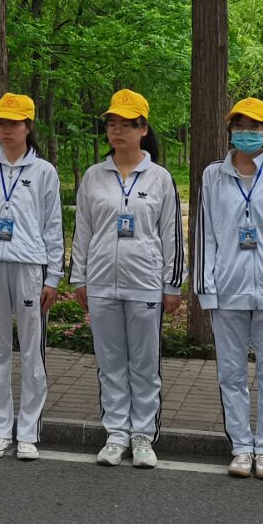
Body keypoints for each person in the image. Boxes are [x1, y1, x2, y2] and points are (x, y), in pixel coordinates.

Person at [70, 89, 184, 470]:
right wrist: (79, 277)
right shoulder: (94, 176)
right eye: (111, 124)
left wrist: (172, 284)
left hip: (145, 283)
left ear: (143, 129)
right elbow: (83, 231)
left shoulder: (160, 178)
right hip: (102, 282)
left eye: (126, 125)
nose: (117, 131)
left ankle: (143, 435)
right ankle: (116, 434)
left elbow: (171, 235)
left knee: (145, 364)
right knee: (110, 363)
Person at [193, 98, 263, 480]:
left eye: (254, 127)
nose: (246, 133)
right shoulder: (213, 175)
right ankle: (241, 446)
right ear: (230, 131)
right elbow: (206, 233)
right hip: (228, 290)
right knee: (231, 374)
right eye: (239, 126)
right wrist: (207, 287)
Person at [0, 94, 63, 461]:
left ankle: (28, 431)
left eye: (14, 123)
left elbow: (53, 226)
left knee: (32, 351)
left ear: (28, 127)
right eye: (1, 123)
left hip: (29, 266)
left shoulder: (44, 172)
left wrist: (53, 277)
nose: (6, 130)